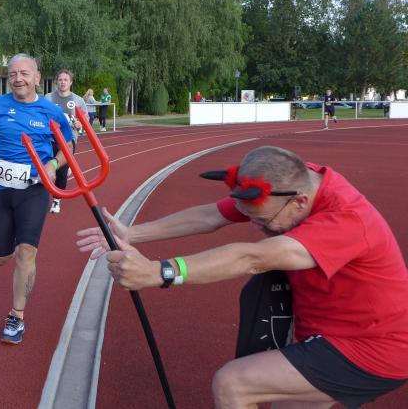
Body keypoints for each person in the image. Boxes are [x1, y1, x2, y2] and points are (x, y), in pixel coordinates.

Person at [75, 145, 408, 408]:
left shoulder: (346, 219)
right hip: (326, 335)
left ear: (300, 202)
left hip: (373, 346)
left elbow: (252, 258)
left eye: (264, 222)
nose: (257, 227)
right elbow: (211, 216)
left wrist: (159, 272)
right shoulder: (287, 183)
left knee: (234, 384)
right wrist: (131, 233)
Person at [0, 53, 74, 345]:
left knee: (27, 251)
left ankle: (16, 316)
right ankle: (10, 249)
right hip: (1, 190)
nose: (18, 79)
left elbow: (67, 145)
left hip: (34, 189)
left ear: (37, 78)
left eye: (25, 73)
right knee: (0, 258)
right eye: (13, 74)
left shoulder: (51, 111)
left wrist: (52, 165)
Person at [45, 69, 88, 214]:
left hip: (68, 140)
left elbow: (85, 119)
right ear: (56, 81)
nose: (63, 82)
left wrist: (80, 124)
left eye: (65, 80)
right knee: (44, 167)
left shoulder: (78, 100)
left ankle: (57, 200)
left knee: (61, 172)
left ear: (70, 82)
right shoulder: (48, 98)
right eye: (60, 79)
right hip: (50, 138)